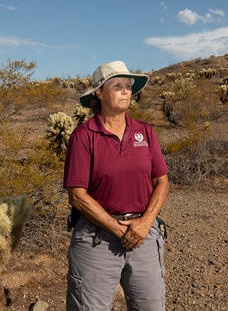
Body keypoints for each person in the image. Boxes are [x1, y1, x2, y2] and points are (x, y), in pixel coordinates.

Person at [63, 60, 170, 310]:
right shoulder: (83, 135)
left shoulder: (145, 132)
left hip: (143, 235)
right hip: (97, 237)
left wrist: (144, 224)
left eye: (128, 86)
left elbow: (162, 182)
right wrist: (118, 229)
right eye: (118, 86)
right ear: (99, 93)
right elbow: (77, 196)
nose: (126, 91)